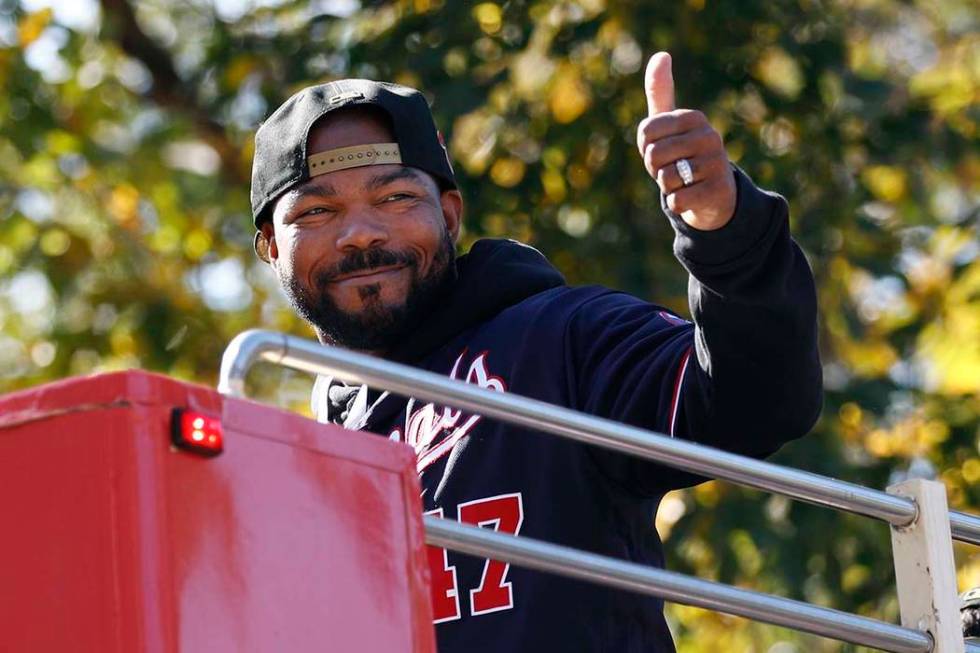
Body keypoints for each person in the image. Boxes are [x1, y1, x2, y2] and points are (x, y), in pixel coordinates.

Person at [249, 52, 822, 652]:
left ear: (449, 215)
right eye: (316, 210)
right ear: (270, 246)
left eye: (394, 198)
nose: (361, 232)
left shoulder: (560, 339)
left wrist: (723, 229)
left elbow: (753, 402)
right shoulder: (307, 463)